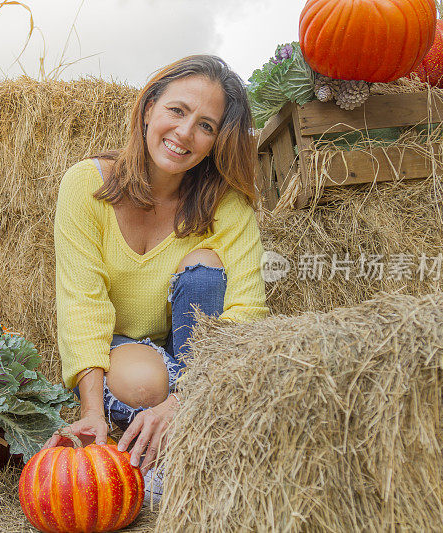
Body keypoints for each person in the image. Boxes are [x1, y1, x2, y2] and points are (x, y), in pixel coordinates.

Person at [44, 55, 268, 493]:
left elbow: (247, 313)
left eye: (206, 126)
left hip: (198, 359)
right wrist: (92, 412)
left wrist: (185, 401)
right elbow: (81, 304)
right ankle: (161, 436)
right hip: (124, 349)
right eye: (177, 111)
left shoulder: (228, 206)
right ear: (149, 109)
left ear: (216, 141)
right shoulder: (85, 186)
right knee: (145, 384)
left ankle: (185, 434)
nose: (185, 133)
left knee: (204, 265)